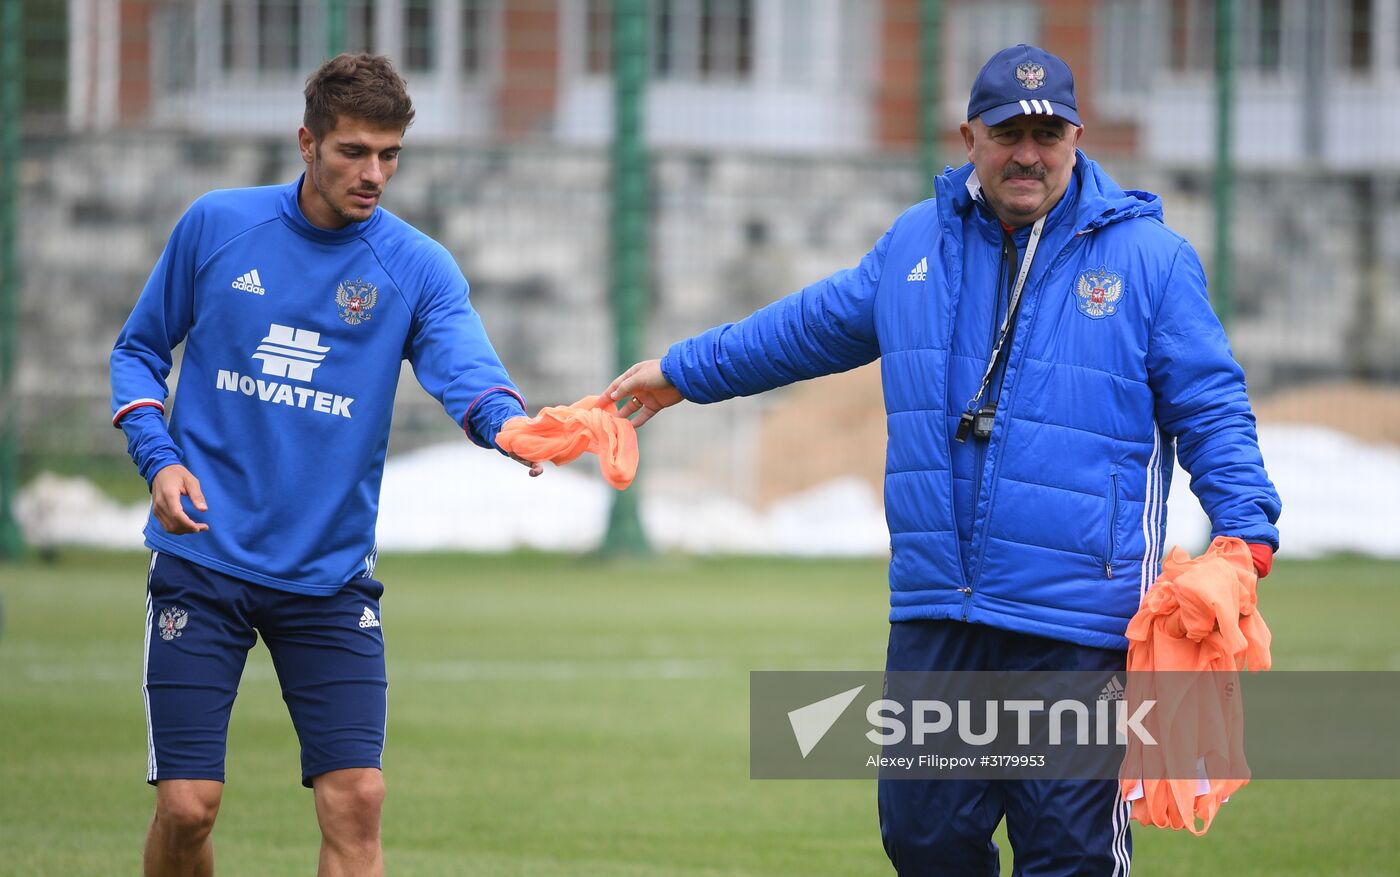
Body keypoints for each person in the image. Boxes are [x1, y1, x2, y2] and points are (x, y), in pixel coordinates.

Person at [606, 44, 1281, 875]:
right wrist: (682, 373)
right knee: (921, 838)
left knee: (1067, 852)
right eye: (1008, 132)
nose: (1027, 153)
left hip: (1076, 620)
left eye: (1047, 133)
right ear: (970, 136)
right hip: (939, 610)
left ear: (1076, 135)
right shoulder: (914, 243)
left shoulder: (1150, 260)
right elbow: (807, 327)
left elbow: (1212, 408)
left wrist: (1244, 535)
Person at [109, 54, 539, 877]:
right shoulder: (217, 225)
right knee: (188, 808)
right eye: (353, 152)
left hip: (331, 575)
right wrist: (157, 458)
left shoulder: (416, 267)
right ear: (306, 143)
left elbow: (467, 369)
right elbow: (136, 351)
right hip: (205, 556)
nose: (373, 173)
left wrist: (508, 425)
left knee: (357, 797)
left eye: (390, 155)